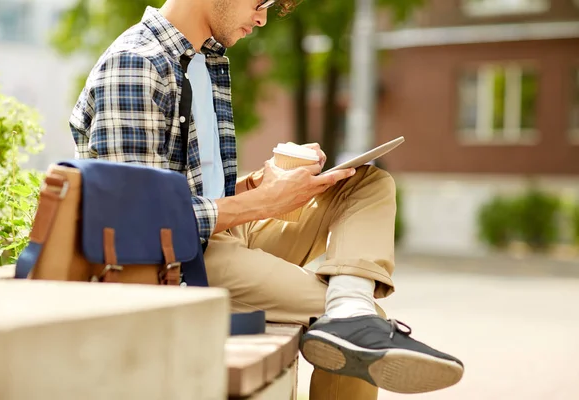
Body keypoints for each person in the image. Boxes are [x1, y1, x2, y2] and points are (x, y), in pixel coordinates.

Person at [69, 0, 464, 398]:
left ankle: (350, 307)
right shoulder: (137, 65)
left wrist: (258, 185)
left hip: (225, 235)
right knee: (367, 330)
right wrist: (267, 203)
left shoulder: (203, 62)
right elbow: (139, 225)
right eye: (260, 3)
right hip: (186, 263)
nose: (261, 18)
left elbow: (191, 190)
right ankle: (351, 318)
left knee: (366, 184)